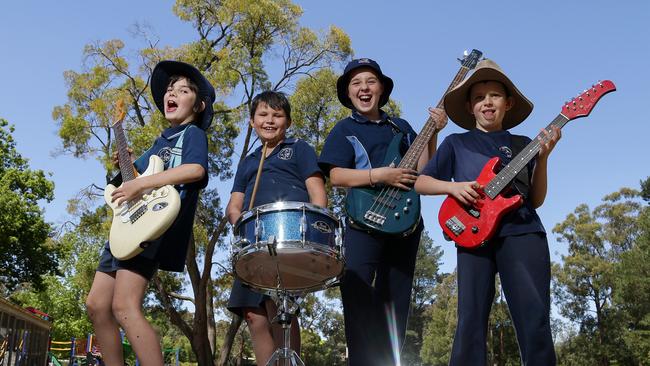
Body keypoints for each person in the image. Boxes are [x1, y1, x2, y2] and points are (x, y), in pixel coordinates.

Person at [414, 59, 560, 365]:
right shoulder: (456, 143)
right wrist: (452, 188)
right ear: (469, 107)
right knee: (470, 320)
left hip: (522, 233)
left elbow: (535, 200)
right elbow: (421, 182)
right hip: (473, 237)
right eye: (479, 98)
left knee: (534, 316)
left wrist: (543, 160)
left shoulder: (524, 144)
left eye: (494, 96)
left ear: (508, 103)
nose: (487, 102)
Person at [318, 58, 447, 365]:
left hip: (405, 224)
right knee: (358, 298)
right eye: (356, 83)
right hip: (363, 224)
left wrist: (434, 132)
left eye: (370, 81)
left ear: (382, 89)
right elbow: (336, 177)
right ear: (348, 94)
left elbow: (424, 169)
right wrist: (380, 175)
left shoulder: (400, 127)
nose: (364, 88)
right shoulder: (344, 129)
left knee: (396, 306)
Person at [85, 60, 214, 366]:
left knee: (125, 306)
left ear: (198, 105)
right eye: (170, 89)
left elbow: (195, 169)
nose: (173, 93)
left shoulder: (192, 135)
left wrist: (142, 186)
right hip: (125, 228)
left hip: (150, 229)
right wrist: (126, 164)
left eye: (183, 90)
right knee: (96, 304)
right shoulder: (159, 143)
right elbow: (126, 183)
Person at [225, 91, 327, 365]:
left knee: (280, 308)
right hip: (253, 244)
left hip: (288, 237)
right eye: (263, 114)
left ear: (288, 121)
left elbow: (317, 195)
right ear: (251, 121)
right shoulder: (248, 161)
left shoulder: (299, 149)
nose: (269, 120)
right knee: (252, 314)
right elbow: (233, 207)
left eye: (277, 115)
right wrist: (243, 225)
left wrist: (314, 233)